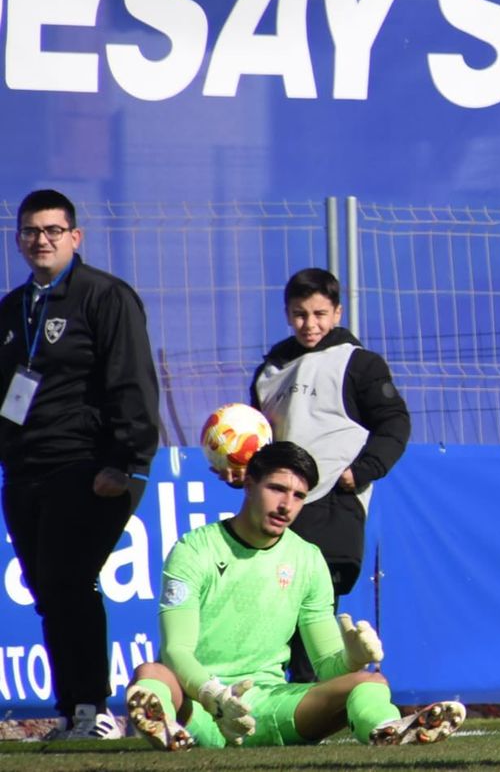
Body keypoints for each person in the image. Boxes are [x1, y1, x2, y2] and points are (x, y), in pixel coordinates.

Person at [123, 440, 465, 750]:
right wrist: (217, 699)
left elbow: (328, 667)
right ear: (249, 483)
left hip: (271, 708)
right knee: (152, 673)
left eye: (298, 496)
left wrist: (353, 659)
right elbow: (176, 650)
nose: (287, 504)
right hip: (200, 707)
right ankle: (168, 728)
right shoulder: (193, 549)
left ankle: (387, 730)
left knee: (370, 680)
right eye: (276, 489)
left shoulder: (308, 559)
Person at [0, 188, 160, 740]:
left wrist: (126, 461)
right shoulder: (12, 308)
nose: (40, 240)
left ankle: (95, 709)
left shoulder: (105, 296)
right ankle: (72, 714)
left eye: (51, 230)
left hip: (88, 464)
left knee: (69, 579)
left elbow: (133, 382)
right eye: (29, 231)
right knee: (48, 590)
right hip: (25, 470)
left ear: (75, 236)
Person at [233, 268, 410, 683]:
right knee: (277, 610)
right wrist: (240, 469)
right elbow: (259, 439)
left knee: (312, 608)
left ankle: (319, 696)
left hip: (334, 507)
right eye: (299, 314)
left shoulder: (359, 364)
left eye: (319, 313)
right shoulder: (270, 372)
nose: (309, 324)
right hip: (279, 510)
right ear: (286, 313)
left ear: (337, 312)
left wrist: (360, 473)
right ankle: (296, 699)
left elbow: (395, 424)